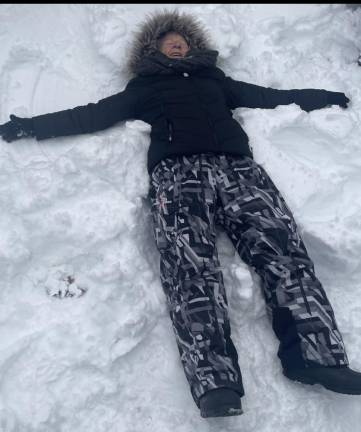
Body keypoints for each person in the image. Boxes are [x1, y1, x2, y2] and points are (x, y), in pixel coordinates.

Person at [1, 9, 360, 419]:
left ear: (193, 46)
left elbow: (269, 97)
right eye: (167, 40)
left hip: (239, 172)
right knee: (190, 270)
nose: (176, 43)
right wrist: (32, 125)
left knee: (284, 252)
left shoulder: (216, 82)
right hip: (178, 176)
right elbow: (92, 113)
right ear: (152, 51)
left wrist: (324, 97)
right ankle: (215, 383)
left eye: (182, 39)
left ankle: (318, 359)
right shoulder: (144, 88)